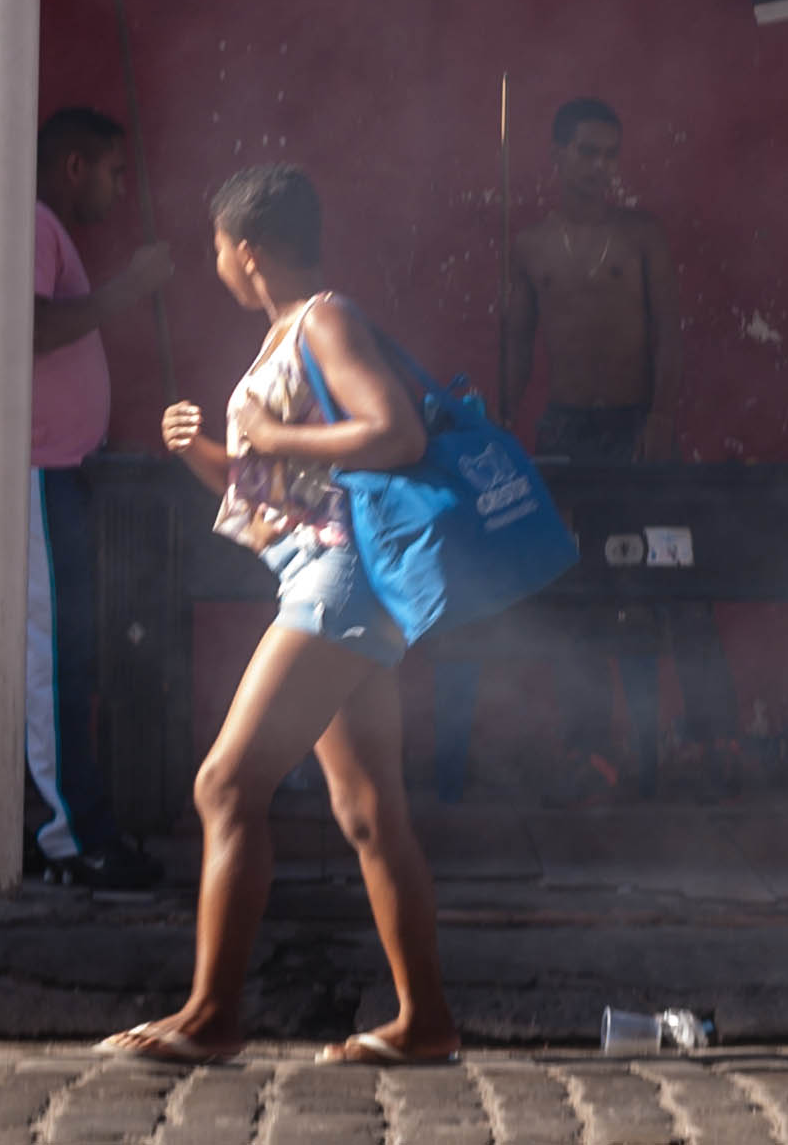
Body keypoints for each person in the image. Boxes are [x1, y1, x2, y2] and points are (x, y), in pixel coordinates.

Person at [101, 162, 457, 1068]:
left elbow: (396, 434)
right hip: (326, 574)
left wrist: (271, 437)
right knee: (370, 807)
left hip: (336, 584)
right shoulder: (284, 336)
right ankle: (424, 1024)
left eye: (217, 246)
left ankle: (212, 1015)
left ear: (247, 250)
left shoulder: (323, 320)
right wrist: (213, 459)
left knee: (224, 786)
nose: (214, 259)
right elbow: (280, 485)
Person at [0, 103, 174, 891]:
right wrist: (130, 288)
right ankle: (70, 839)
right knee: (49, 658)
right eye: (113, 172)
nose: (118, 190)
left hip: (44, 473)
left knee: (16, 653)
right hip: (31, 475)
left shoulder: (37, 228)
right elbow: (31, 329)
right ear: (73, 164)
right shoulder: (27, 223)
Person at [501, 97, 734, 798]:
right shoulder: (530, 246)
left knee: (678, 580)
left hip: (639, 433)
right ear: (557, 156)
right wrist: (496, 428)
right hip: (567, 436)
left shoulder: (642, 236)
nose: (602, 167)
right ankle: (588, 751)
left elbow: (669, 330)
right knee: (577, 593)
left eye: (611, 154)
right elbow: (515, 349)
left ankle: (711, 741)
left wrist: (661, 416)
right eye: (588, 153)